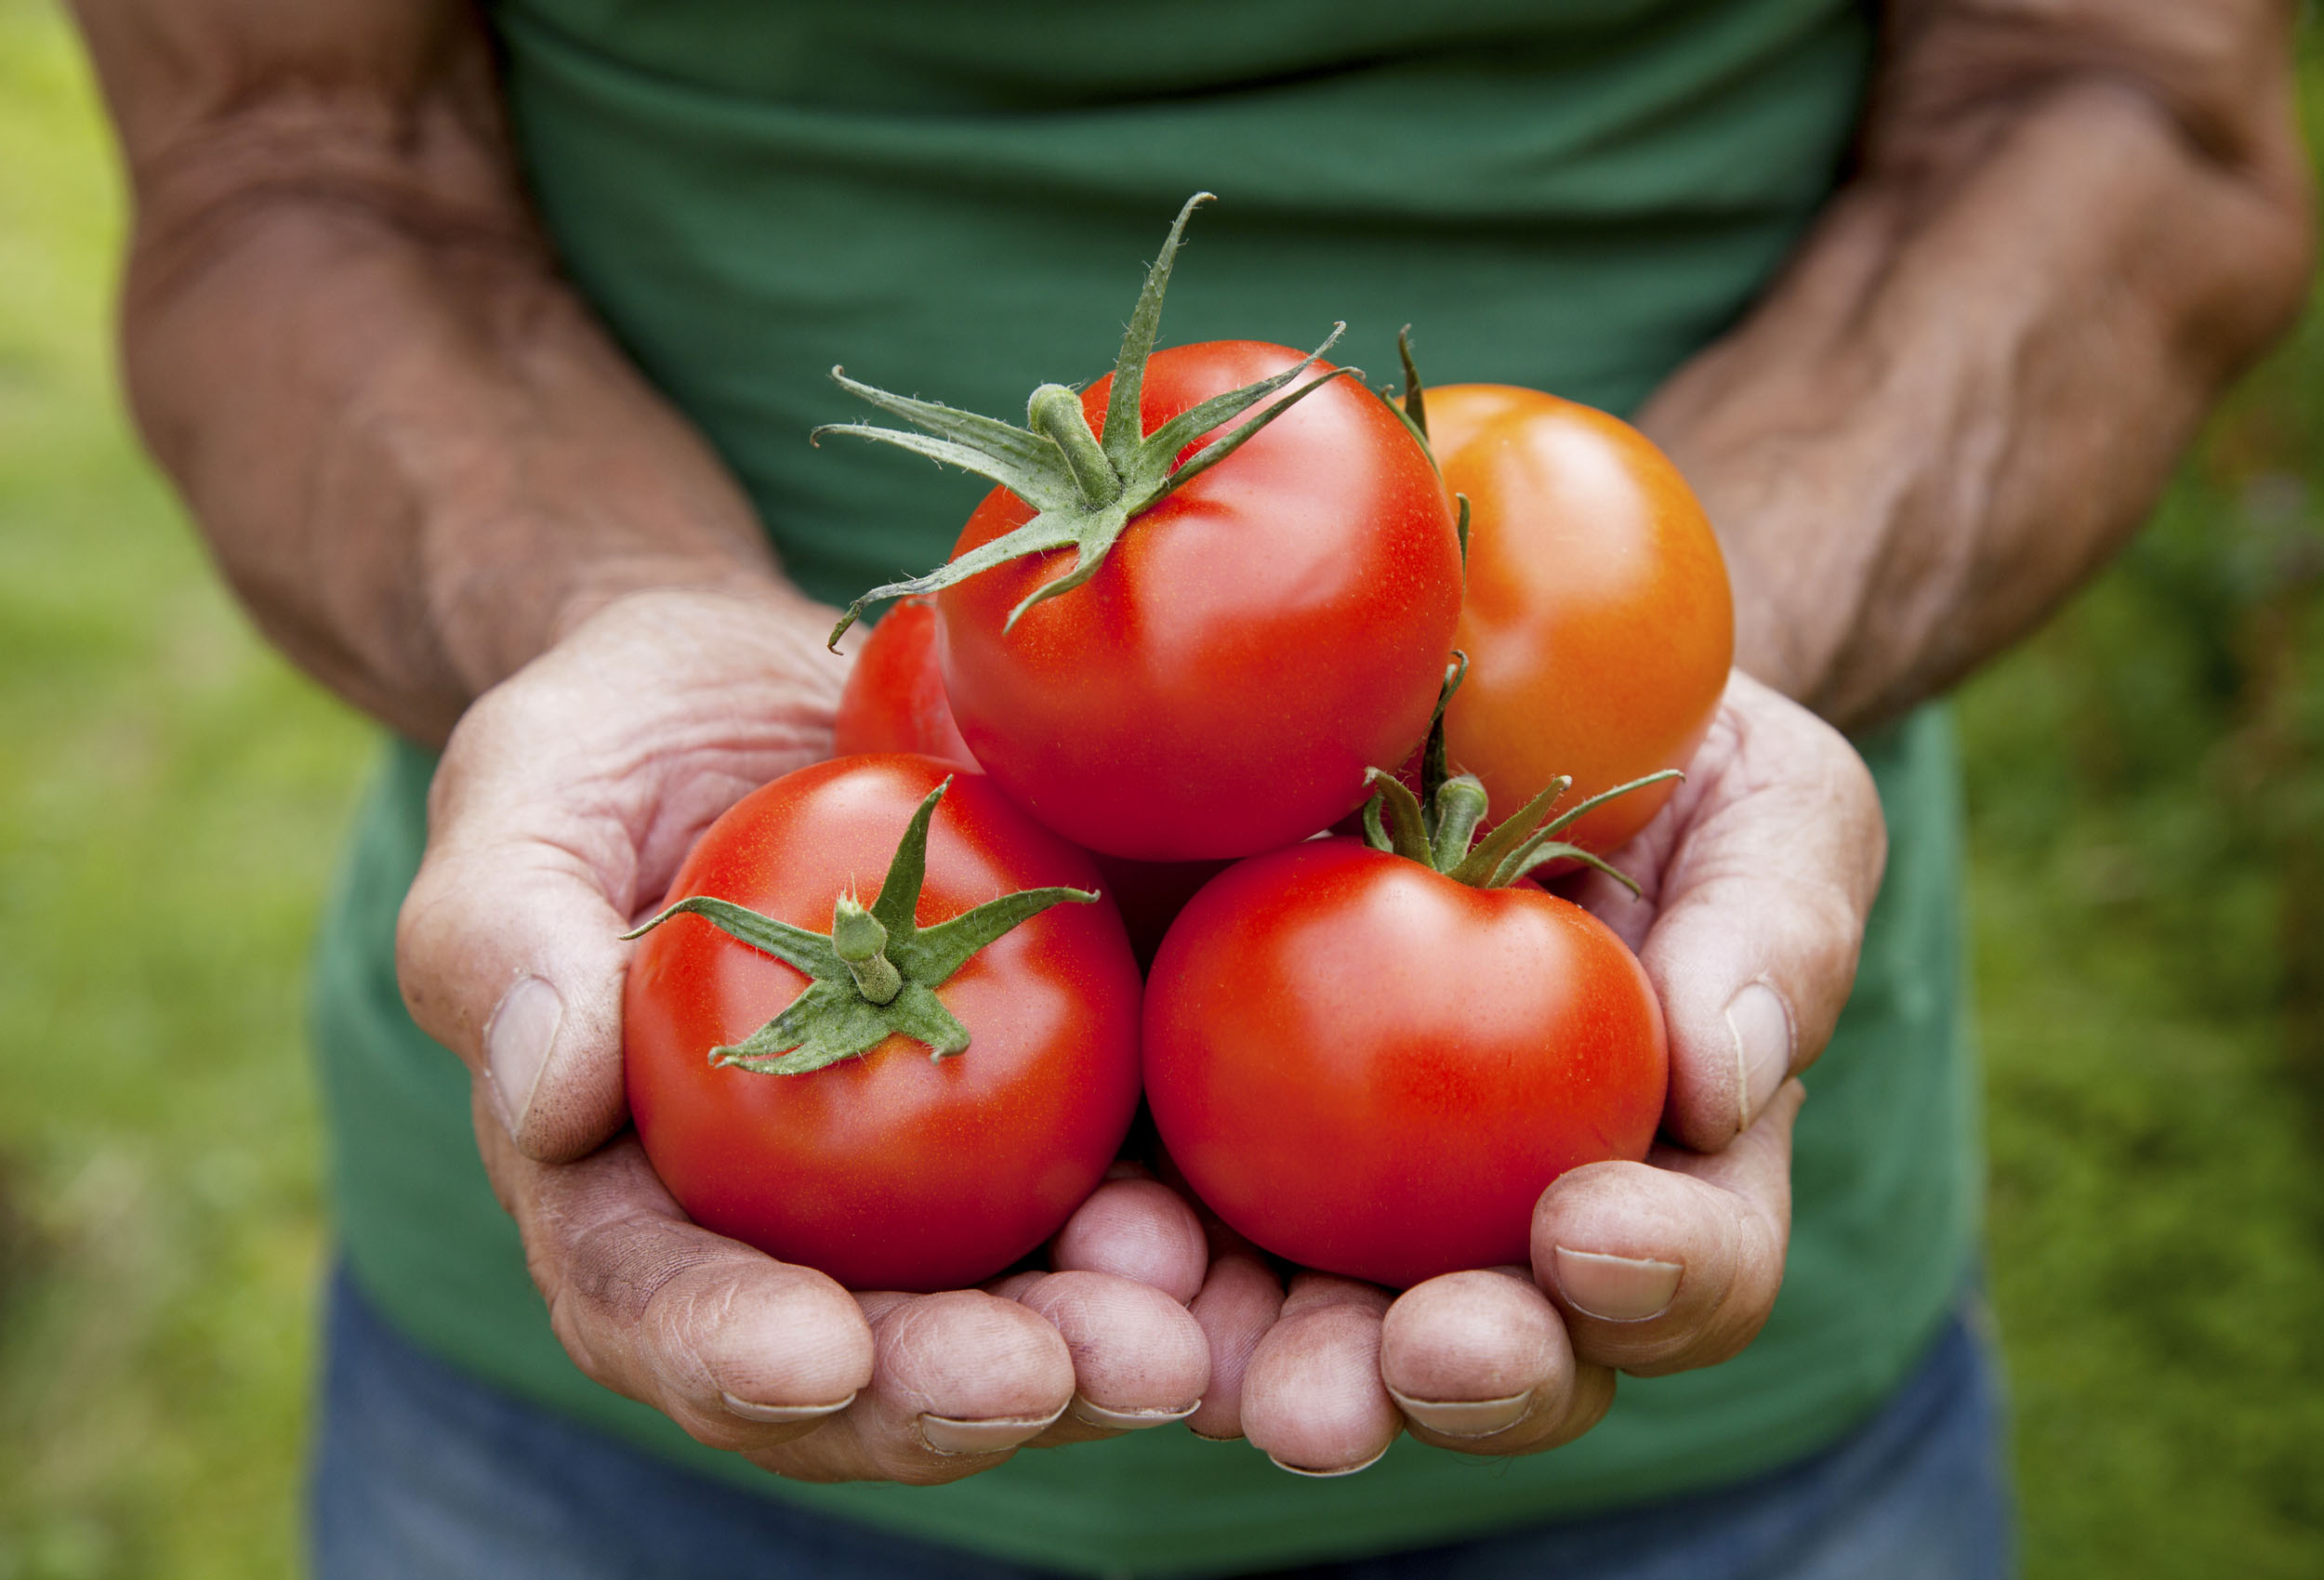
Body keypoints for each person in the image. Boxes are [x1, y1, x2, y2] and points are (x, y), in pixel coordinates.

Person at [63, 0, 2310, 1575]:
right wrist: (595, 620)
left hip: (1702, 1380)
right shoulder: (953, 725)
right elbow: (289, 157)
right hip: (600, 1343)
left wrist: (1676, 686)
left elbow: (2123, 97)